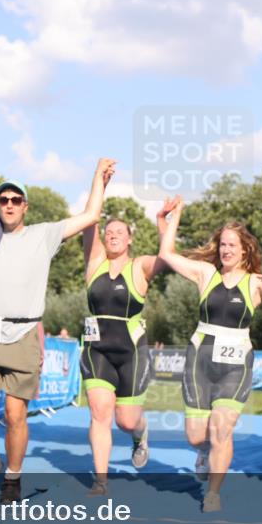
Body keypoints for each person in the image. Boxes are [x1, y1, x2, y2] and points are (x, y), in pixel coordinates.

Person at [0, 118, 109, 503]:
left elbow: (91, 215)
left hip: (25, 334)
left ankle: (12, 477)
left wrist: (99, 177)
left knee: (15, 415)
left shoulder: (44, 235)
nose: (8, 204)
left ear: (25, 206)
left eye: (15, 200)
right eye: (3, 199)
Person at [158, 197, 262, 512]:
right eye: (222, 244)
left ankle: (213, 493)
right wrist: (174, 215)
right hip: (200, 360)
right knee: (196, 436)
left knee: (221, 430)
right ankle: (203, 451)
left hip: (235, 366)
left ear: (244, 249)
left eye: (232, 245)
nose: (226, 250)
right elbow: (166, 254)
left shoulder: (255, 283)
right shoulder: (205, 274)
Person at [80, 198, 178, 496]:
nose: (112, 235)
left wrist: (163, 223)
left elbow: (167, 257)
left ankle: (139, 432)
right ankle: (101, 481)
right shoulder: (94, 263)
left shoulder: (140, 266)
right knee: (99, 413)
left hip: (131, 353)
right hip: (96, 351)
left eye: (119, 232)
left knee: (126, 420)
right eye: (108, 232)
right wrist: (100, 183)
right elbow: (89, 222)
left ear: (130, 239)